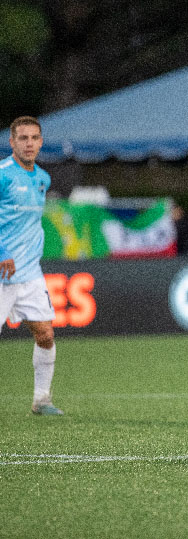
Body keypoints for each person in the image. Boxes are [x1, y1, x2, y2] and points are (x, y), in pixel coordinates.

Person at [0, 116, 63, 415]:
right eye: (22, 138)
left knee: (46, 334)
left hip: (29, 273)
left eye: (34, 138)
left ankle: (42, 400)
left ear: (40, 141)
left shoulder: (43, 178)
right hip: (2, 272)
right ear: (11, 142)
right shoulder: (2, 174)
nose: (29, 143)